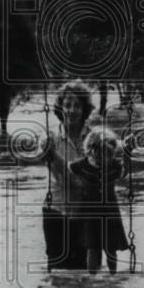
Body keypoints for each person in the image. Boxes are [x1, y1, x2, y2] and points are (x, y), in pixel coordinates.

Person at [42, 81, 94, 270]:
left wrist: (126, 149)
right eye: (67, 105)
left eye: (77, 105)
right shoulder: (49, 139)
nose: (71, 111)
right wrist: (47, 152)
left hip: (84, 212)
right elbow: (61, 178)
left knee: (83, 270)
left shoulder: (93, 139)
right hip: (56, 210)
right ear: (60, 108)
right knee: (57, 274)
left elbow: (82, 183)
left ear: (85, 109)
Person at [70, 128, 129, 274]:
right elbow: (70, 168)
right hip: (90, 213)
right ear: (92, 152)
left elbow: (124, 172)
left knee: (111, 248)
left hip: (110, 212)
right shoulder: (82, 165)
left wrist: (128, 153)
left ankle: (113, 276)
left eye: (109, 155)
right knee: (93, 248)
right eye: (102, 154)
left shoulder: (113, 165)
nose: (106, 159)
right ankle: (92, 278)